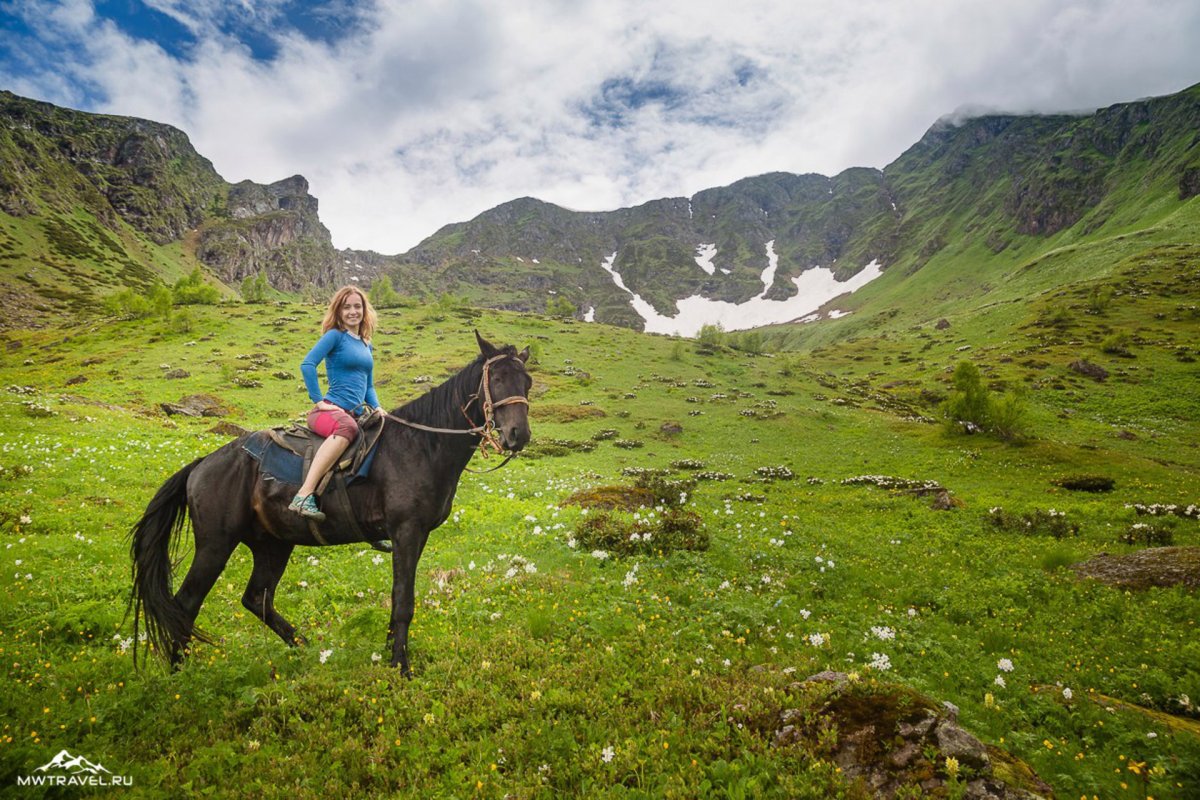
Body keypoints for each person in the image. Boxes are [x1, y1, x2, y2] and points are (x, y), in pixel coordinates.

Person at [289, 285, 382, 521]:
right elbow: (307, 364)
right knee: (347, 428)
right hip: (329, 412)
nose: (353, 311)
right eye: (346, 307)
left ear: (364, 310)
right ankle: (303, 494)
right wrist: (319, 401)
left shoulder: (366, 344)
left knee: (383, 435)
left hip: (357, 412)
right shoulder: (334, 337)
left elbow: (368, 385)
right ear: (338, 311)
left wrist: (378, 408)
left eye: (357, 306)